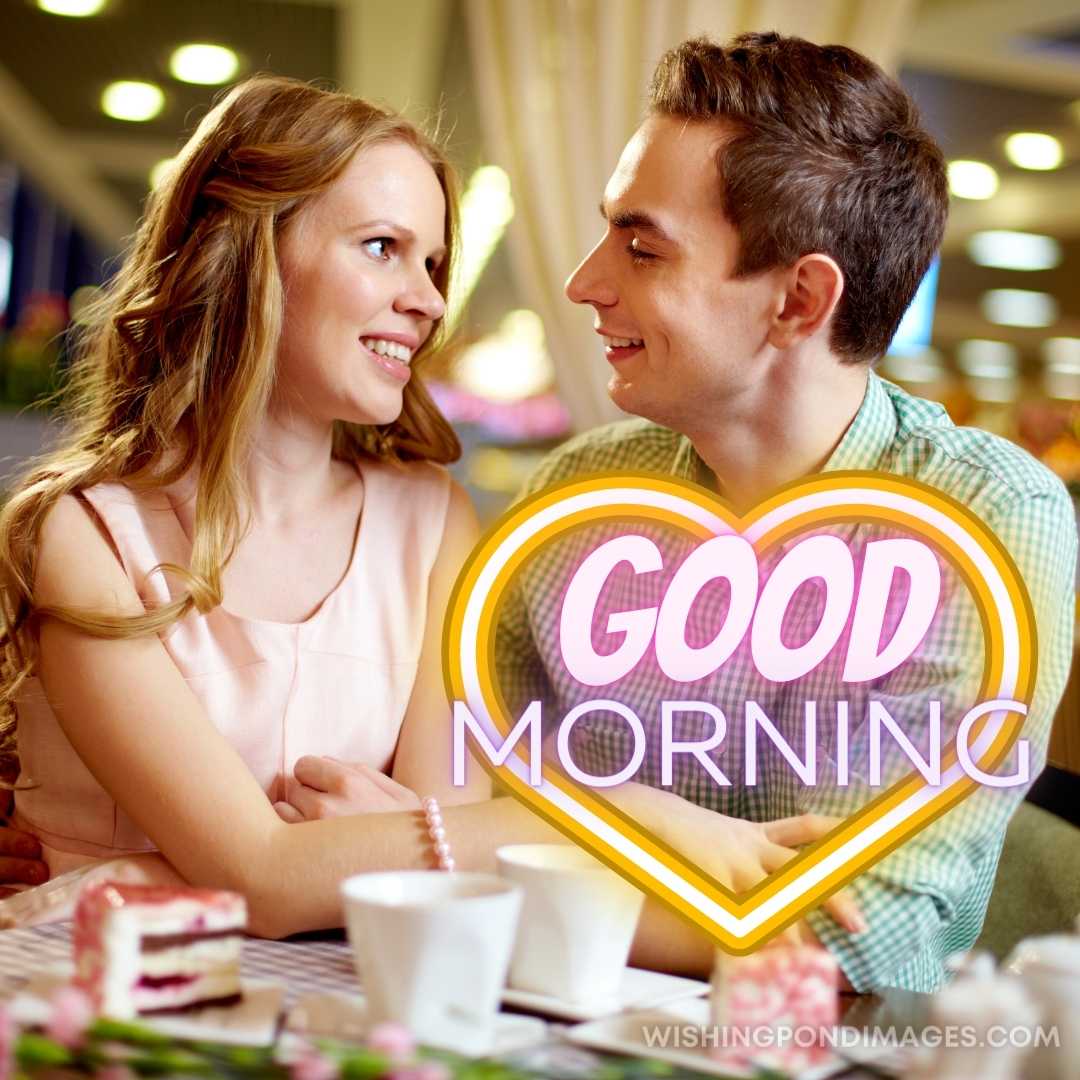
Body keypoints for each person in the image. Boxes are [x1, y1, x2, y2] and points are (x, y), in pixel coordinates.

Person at [0, 75, 857, 967]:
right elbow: (266, 873)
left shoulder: (431, 521)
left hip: (332, 1009)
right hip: (86, 994)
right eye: (382, 248)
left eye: (433, 264)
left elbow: (435, 874)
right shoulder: (82, 535)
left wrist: (173, 872)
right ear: (245, 255)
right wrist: (624, 813)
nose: (431, 301)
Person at [493, 33, 1078, 992]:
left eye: (641, 246)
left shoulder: (980, 517)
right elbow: (465, 790)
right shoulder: (573, 499)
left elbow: (850, 938)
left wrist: (514, 846)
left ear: (799, 299)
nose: (584, 284)